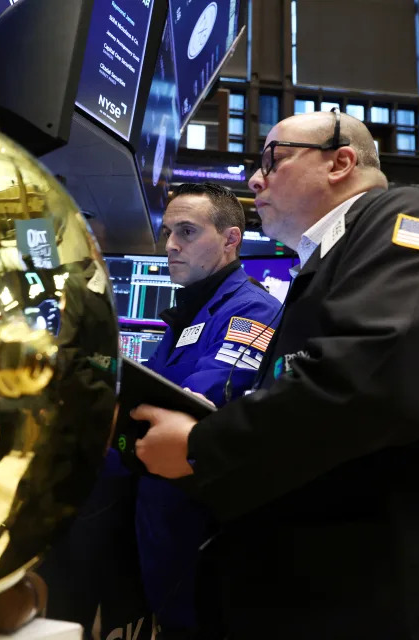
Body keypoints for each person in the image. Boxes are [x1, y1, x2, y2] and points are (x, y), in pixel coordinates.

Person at [133, 110, 419, 637]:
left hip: (413, 592)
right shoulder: (326, 262)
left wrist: (204, 446)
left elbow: (379, 374)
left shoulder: (416, 217)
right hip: (340, 585)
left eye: (273, 159)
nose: (255, 179)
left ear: (341, 162)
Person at [135, 182, 282, 638]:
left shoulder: (252, 309)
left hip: (198, 521)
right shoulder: (191, 312)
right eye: (167, 232)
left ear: (230, 239)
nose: (171, 246)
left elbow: (197, 402)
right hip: (160, 515)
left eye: (187, 231)